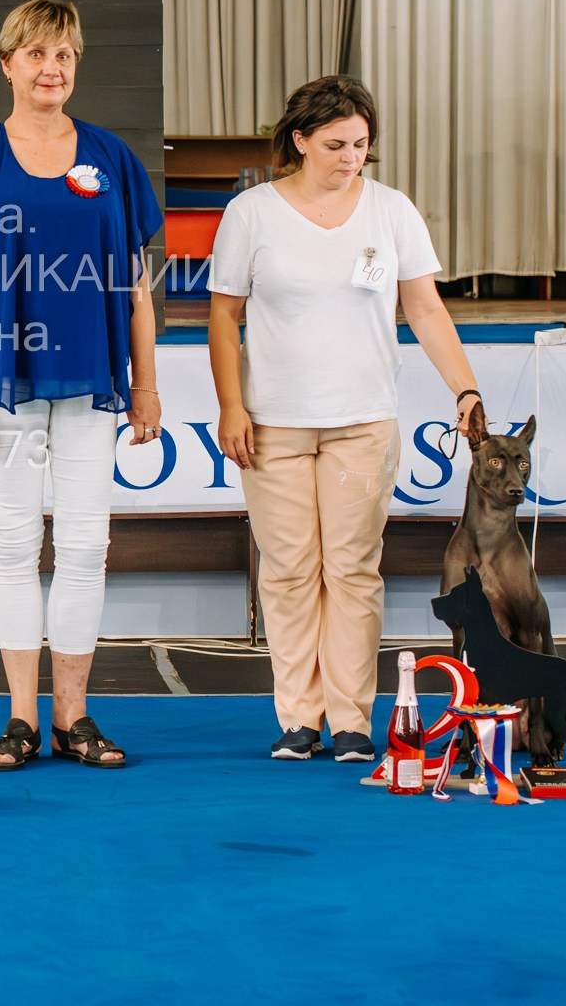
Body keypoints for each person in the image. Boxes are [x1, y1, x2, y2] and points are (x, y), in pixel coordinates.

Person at [207, 75, 484, 764]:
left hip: (364, 420)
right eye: (335, 144)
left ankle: (352, 719)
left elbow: (424, 309)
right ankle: (298, 717)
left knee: (353, 569)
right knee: (290, 569)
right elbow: (223, 314)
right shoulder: (251, 213)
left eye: (361, 144)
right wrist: (230, 405)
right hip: (272, 422)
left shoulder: (392, 212)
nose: (350, 156)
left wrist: (466, 390)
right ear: (298, 140)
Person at [0, 0, 162, 772]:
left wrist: (147, 385)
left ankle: (75, 717)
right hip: (3, 383)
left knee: (87, 546)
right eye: (36, 54)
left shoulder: (112, 157)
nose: (52, 68)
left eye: (64, 54)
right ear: (7, 63)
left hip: (94, 382)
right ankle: (22, 720)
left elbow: (135, 284)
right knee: (15, 546)